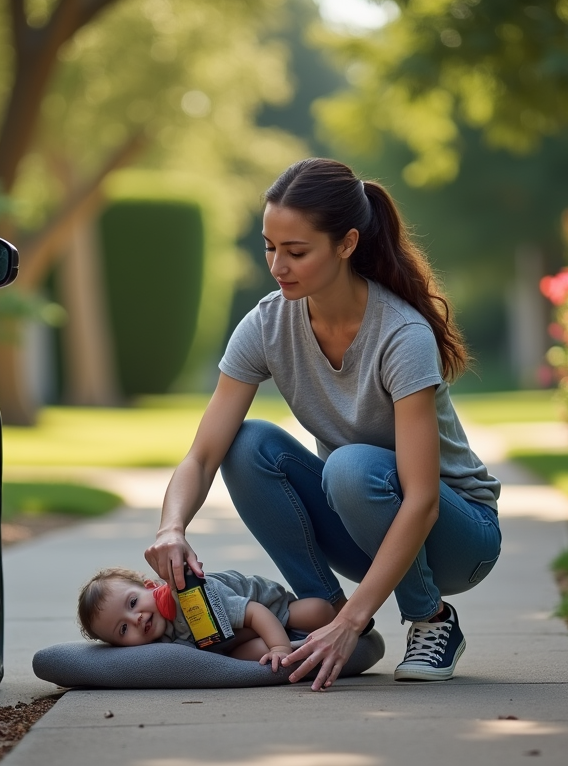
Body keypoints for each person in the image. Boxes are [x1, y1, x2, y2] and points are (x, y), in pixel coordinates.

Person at [144, 157, 502, 692]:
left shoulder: (401, 334)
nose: (277, 266)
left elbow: (424, 497)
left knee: (351, 468)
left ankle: (430, 620)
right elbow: (202, 455)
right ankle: (329, 621)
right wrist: (171, 527)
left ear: (347, 244)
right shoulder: (268, 323)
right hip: (365, 522)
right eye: (269, 246)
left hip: (458, 535)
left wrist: (363, 610)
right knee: (246, 444)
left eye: (296, 251)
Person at [78, 567, 335, 670]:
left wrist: (280, 648)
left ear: (150, 586)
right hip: (233, 639)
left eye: (133, 603)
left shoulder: (192, 597)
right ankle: (286, 641)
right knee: (251, 655)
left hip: (263, 607)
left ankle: (316, 624)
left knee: (317, 612)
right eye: (123, 629)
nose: (136, 619)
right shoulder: (159, 643)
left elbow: (255, 612)